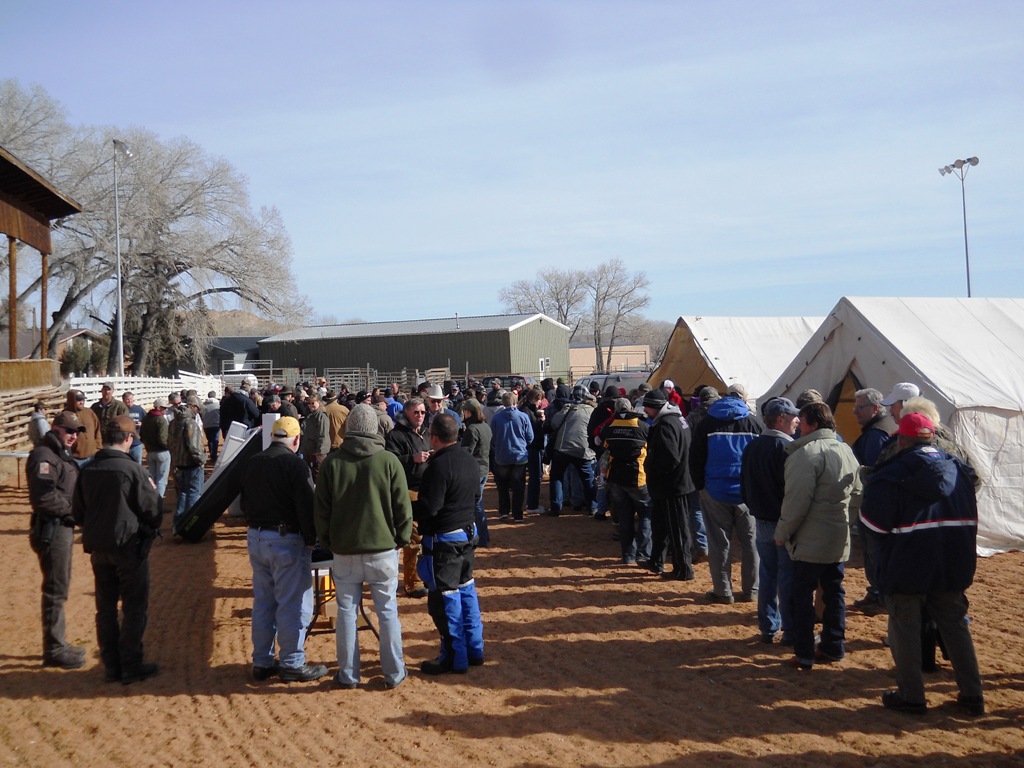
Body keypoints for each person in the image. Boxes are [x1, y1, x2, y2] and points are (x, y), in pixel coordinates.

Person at [860, 412, 984, 716]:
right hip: (952, 562)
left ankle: (912, 696)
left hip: (906, 565)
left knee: (905, 630)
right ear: (932, 436)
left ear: (902, 440)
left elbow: (873, 526)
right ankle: (972, 695)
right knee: (956, 629)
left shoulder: (891, 474)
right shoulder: (961, 470)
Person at [314, 405, 413, 689]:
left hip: (344, 550)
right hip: (383, 549)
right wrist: (401, 540)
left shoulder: (332, 463)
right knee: (387, 611)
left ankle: (348, 674)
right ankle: (394, 672)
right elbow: (402, 508)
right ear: (375, 429)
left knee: (346, 611)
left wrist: (330, 542)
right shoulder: (389, 461)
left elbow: (321, 510)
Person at [72, 415, 162, 684]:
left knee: (106, 608)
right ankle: (131, 663)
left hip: (99, 548)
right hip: (129, 546)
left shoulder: (88, 470)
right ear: (129, 439)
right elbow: (153, 511)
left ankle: (111, 665)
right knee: (134, 607)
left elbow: (78, 513)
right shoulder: (133, 470)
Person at [775, 402, 861, 670]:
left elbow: (796, 502)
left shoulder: (806, 454)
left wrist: (782, 533)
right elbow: (858, 494)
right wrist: (845, 522)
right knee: (834, 593)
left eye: (801, 421)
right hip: (837, 538)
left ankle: (804, 652)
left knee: (801, 595)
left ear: (811, 423)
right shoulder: (846, 451)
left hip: (809, 541)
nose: (799, 426)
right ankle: (834, 645)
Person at [240, 416, 326, 683]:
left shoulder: (253, 462)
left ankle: (263, 662)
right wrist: (312, 538)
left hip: (257, 537)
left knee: (264, 602)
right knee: (292, 604)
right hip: (285, 539)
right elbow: (305, 505)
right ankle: (292, 662)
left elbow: (244, 503)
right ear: (296, 440)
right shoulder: (294, 465)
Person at [415, 413, 485, 675]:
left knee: (444, 600)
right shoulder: (469, 459)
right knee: (466, 593)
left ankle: (454, 657)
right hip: (467, 535)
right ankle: (475, 650)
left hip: (444, 540)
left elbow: (430, 507)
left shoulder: (439, 465)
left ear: (434, 438)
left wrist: (406, 507)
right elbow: (477, 495)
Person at [689, 383, 762, 603]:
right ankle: (752, 590)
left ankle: (723, 591)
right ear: (743, 399)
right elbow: (759, 460)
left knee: (719, 543)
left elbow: (696, 458)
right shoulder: (754, 424)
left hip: (714, 491)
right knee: (751, 543)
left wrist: (700, 485)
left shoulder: (706, 423)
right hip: (746, 494)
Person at [28, 411, 87, 669]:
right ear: (55, 429)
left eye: (76, 432)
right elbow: (43, 498)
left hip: (60, 527)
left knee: (59, 586)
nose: (73, 436)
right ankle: (54, 648)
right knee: (56, 589)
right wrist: (73, 510)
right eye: (69, 430)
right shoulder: (44, 456)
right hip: (53, 529)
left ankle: (57, 643)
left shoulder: (58, 454)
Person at [740, 397, 800, 644]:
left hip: (762, 520)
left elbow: (744, 485)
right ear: (780, 420)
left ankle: (768, 627)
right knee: (786, 576)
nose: (797, 421)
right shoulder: (788, 450)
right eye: (793, 417)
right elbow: (794, 490)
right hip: (783, 522)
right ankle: (790, 630)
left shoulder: (753, 446)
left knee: (768, 574)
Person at [850, 387, 897, 610]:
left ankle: (880, 594)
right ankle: (878, 591)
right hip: (885, 505)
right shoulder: (886, 428)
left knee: (874, 553)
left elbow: (873, 473)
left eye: (859, 408)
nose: (855, 412)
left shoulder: (876, 435)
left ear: (875, 408)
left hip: (875, 505)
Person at [642, 389, 695, 579]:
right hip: (677, 482)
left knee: (678, 528)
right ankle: (657, 561)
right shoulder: (679, 420)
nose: (645, 411)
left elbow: (669, 458)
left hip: (672, 485)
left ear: (654, 407)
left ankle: (683, 570)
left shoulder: (665, 425)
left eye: (647, 407)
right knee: (662, 525)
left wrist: (651, 468)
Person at [385, 398, 431, 598]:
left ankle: (424, 575)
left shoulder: (425, 432)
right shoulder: (395, 435)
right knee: (413, 538)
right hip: (407, 491)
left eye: (422, 412)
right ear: (406, 413)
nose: (420, 416)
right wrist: (412, 458)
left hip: (427, 490)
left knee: (426, 536)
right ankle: (412, 582)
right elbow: (390, 461)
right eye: (416, 412)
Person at [602, 398, 652, 566]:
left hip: (616, 477)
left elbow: (603, 444)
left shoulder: (609, 426)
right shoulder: (643, 426)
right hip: (637, 476)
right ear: (631, 408)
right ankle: (644, 554)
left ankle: (628, 556)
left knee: (625, 516)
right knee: (645, 514)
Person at [544, 385, 598, 517]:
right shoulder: (593, 411)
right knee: (588, 478)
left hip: (563, 448)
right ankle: (593, 507)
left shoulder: (568, 408)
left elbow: (554, 424)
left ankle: (556, 507)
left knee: (557, 477)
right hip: (583, 450)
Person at [489, 391, 534, 523]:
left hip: (502, 456)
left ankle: (504, 511)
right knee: (518, 485)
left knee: (502, 485)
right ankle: (517, 514)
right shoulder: (523, 417)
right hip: (519, 456)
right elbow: (530, 437)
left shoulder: (497, 418)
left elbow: (493, 437)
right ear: (515, 402)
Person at [169, 395, 206, 529]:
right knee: (193, 494)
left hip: (178, 464)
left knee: (182, 495)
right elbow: (194, 446)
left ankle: (178, 525)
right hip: (192, 464)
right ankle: (191, 526)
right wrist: (201, 460)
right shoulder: (190, 423)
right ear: (193, 407)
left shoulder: (173, 422)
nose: (198, 412)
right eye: (198, 409)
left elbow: (170, 443)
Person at [460, 398, 493, 546]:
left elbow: (467, 453)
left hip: (475, 471)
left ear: (468, 412)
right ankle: (483, 536)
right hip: (484, 469)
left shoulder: (472, 429)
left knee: (476, 506)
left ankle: (482, 538)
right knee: (477, 504)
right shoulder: (484, 426)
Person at [140, 398, 171, 497]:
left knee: (152, 479)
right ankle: (158, 502)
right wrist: (169, 446)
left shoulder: (145, 419)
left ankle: (151, 500)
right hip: (162, 452)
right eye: (164, 408)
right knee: (161, 479)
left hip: (150, 452)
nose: (165, 410)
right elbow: (162, 439)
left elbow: (142, 436)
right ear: (158, 408)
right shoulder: (161, 419)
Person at [63, 389, 101, 466]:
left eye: (83, 400)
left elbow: (97, 431)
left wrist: (98, 447)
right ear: (71, 401)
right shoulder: (64, 416)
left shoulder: (90, 412)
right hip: (75, 459)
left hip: (92, 456)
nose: (82, 402)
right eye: (78, 400)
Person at [299, 395, 331, 481]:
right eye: (309, 403)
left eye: (313, 403)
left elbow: (323, 434)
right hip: (309, 449)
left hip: (318, 450)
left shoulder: (321, 415)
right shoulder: (309, 414)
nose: (311, 405)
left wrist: (320, 451)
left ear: (318, 402)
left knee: (318, 473)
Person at [121, 392, 147, 464]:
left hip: (136, 442)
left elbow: (147, 420)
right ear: (123, 400)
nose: (129, 401)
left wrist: (142, 424)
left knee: (137, 462)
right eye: (127, 399)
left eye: (131, 399)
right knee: (125, 463)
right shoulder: (121, 410)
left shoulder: (139, 409)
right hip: (124, 442)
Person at [201, 391, 221, 464]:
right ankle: (214, 455)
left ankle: (211, 453)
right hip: (216, 424)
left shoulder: (203, 405)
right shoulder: (218, 404)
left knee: (209, 440)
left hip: (206, 425)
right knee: (215, 440)